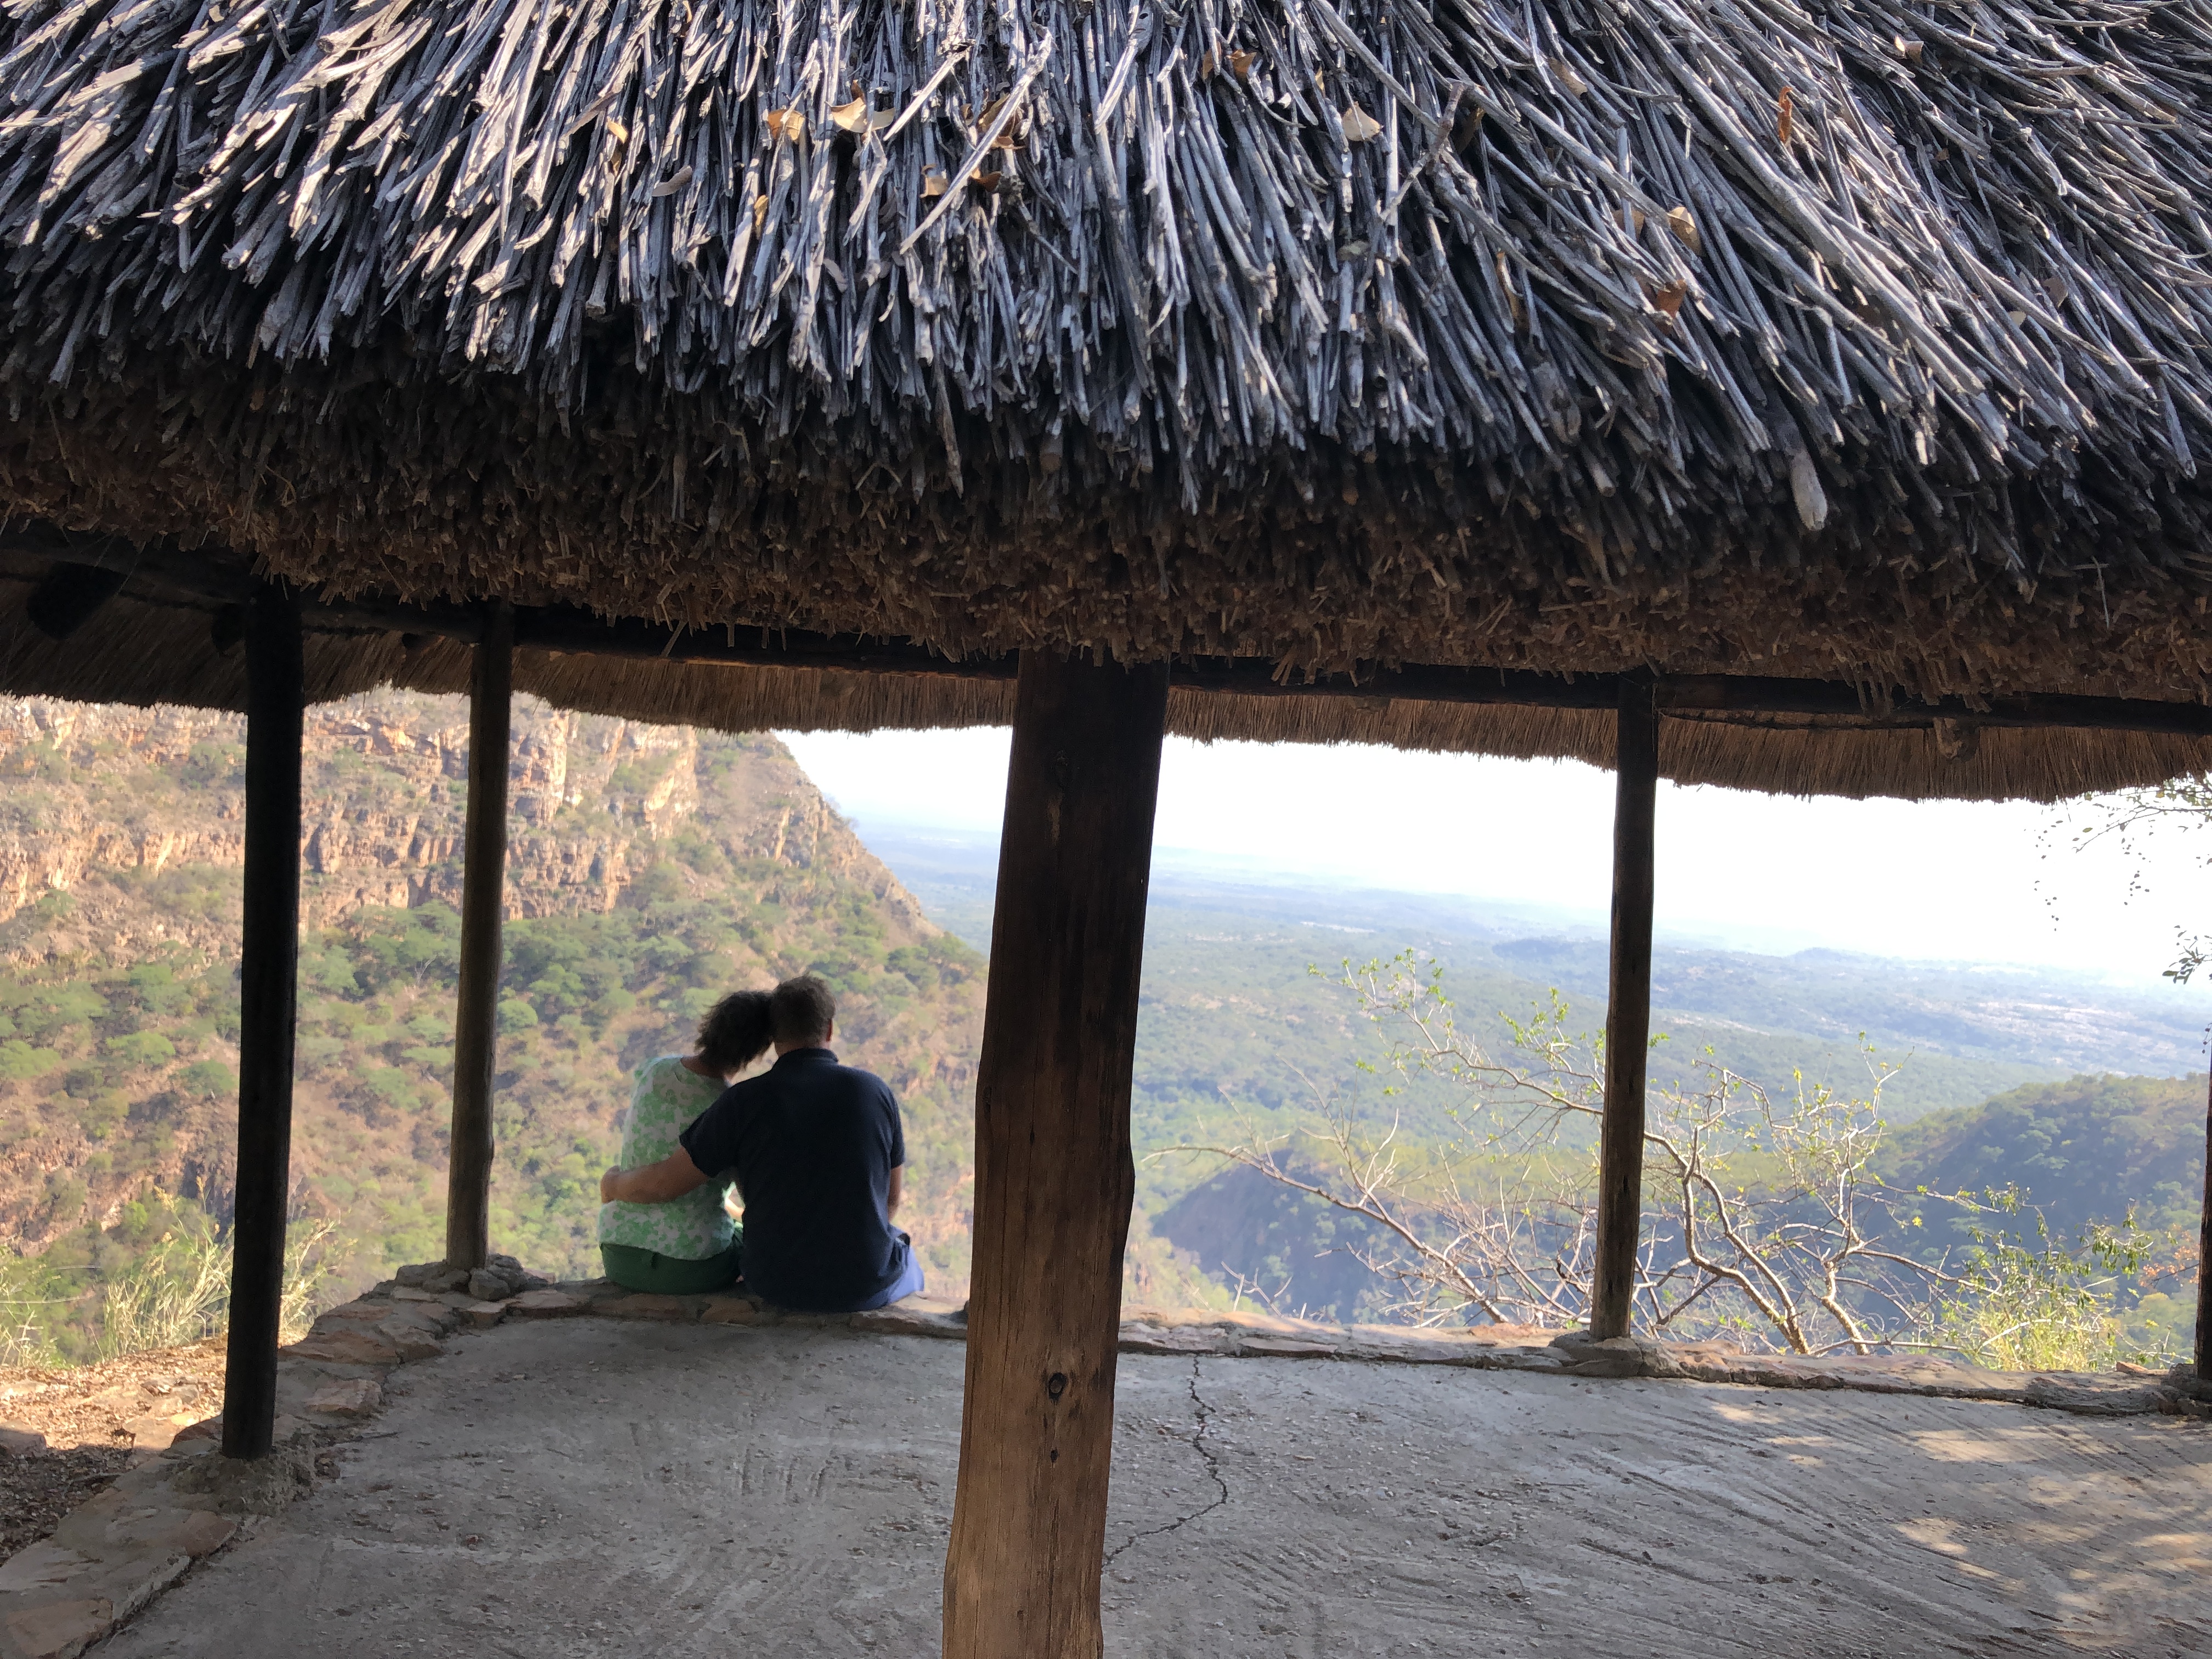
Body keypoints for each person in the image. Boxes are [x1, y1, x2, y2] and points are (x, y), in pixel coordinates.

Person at [598, 973, 924, 1312]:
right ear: (829, 1030)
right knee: (908, 1257)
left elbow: (668, 1181)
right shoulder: (874, 1091)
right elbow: (890, 1200)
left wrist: (613, 1184)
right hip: (863, 1284)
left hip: (774, 1284)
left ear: (773, 1037)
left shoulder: (740, 1102)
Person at [595, 990, 772, 1294]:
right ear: (756, 1052)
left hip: (619, 1255)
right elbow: (753, 1201)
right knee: (752, 1239)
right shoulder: (731, 1107)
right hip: (691, 1268)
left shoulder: (654, 1070)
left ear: (709, 1027)